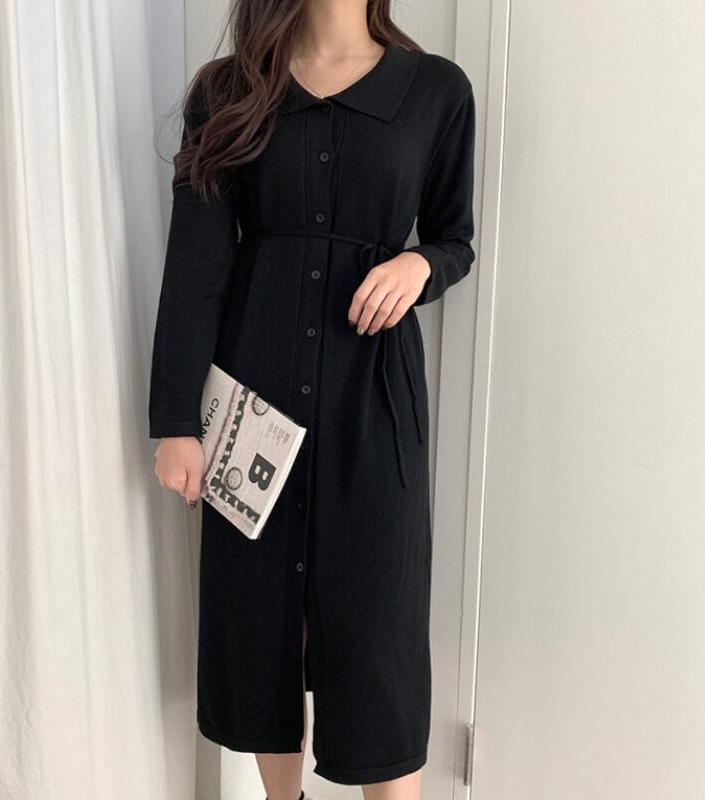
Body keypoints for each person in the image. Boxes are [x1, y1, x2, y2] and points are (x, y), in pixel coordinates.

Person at [149, 0, 476, 797]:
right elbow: (196, 262)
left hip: (376, 404)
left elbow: (455, 237)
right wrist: (175, 422)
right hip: (253, 395)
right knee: (261, 621)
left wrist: (419, 266)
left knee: (379, 630)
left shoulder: (437, 90)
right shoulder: (227, 91)